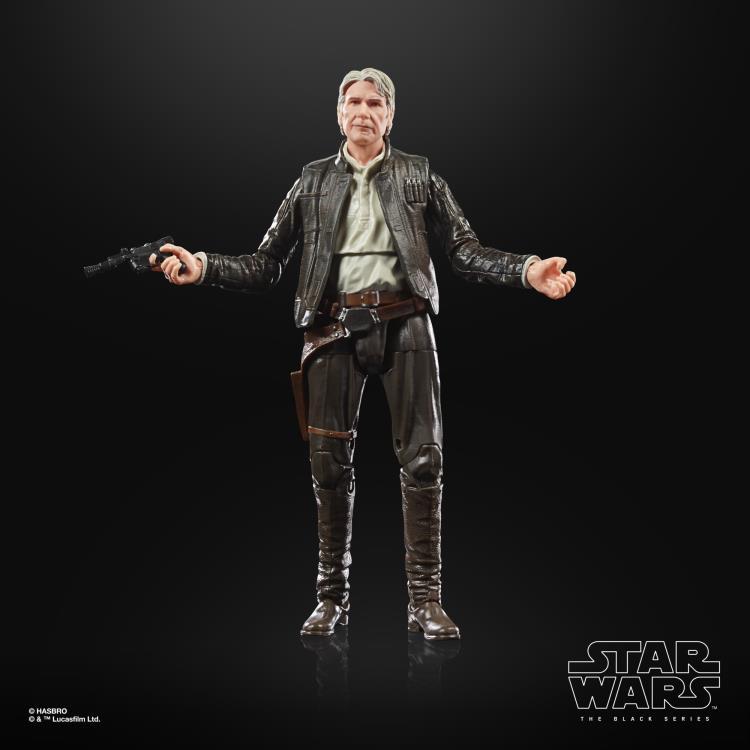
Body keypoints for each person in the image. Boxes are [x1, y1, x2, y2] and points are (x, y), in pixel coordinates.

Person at [150, 67, 576, 641]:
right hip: (331, 330)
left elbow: (464, 250)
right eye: (353, 101)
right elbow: (266, 263)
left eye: (375, 103)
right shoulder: (311, 182)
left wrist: (527, 270)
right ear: (338, 112)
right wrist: (202, 267)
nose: (363, 112)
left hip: (407, 323)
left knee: (424, 460)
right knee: (327, 465)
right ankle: (331, 599)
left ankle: (426, 601)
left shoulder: (419, 175)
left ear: (390, 116)